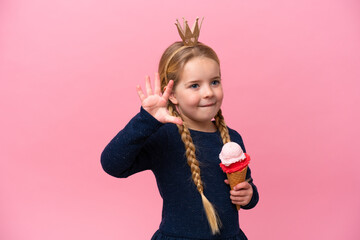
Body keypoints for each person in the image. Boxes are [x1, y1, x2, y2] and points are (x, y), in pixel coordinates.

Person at [101, 18, 259, 240]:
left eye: (215, 82)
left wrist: (249, 195)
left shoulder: (232, 138)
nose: (208, 93)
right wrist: (146, 120)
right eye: (195, 85)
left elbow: (246, 186)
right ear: (172, 94)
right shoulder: (164, 137)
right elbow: (112, 164)